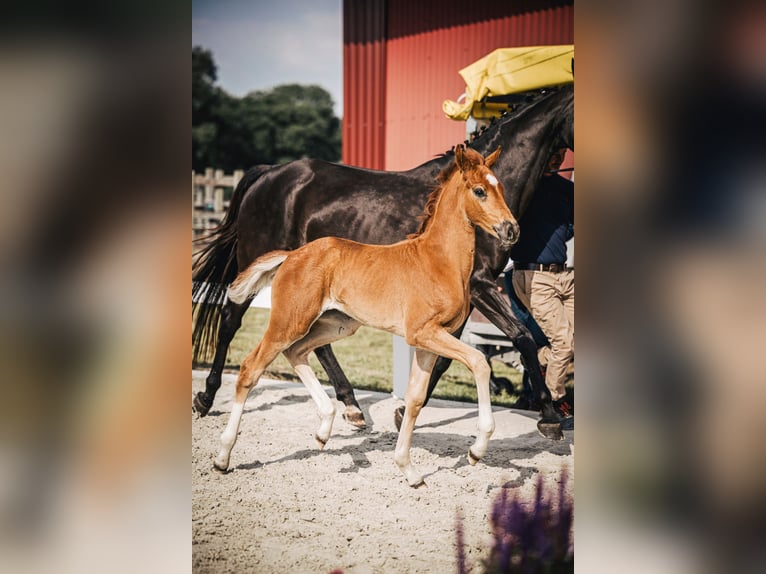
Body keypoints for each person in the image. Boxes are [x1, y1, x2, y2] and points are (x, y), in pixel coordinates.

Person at [510, 148, 574, 420]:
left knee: (574, 342)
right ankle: (554, 402)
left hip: (566, 275)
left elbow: (572, 226)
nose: (557, 157)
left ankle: (534, 361)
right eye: (552, 150)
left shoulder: (566, 188)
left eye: (562, 151)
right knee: (564, 342)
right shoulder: (523, 185)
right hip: (534, 277)